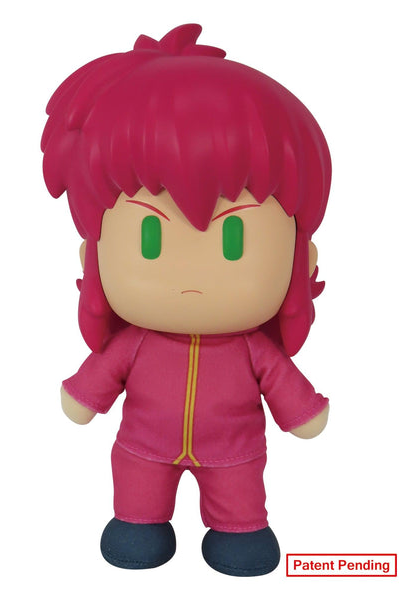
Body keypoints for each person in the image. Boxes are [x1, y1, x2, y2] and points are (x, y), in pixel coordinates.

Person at [41, 23, 331, 576]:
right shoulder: (134, 343)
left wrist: (305, 411)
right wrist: (81, 396)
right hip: (143, 446)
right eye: (150, 236)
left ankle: (239, 529)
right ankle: (139, 522)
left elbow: (284, 386)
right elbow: (97, 381)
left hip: (234, 451)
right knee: (138, 494)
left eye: (233, 237)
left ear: (302, 256)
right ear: (91, 254)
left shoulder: (253, 350)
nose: (190, 272)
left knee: (240, 500)